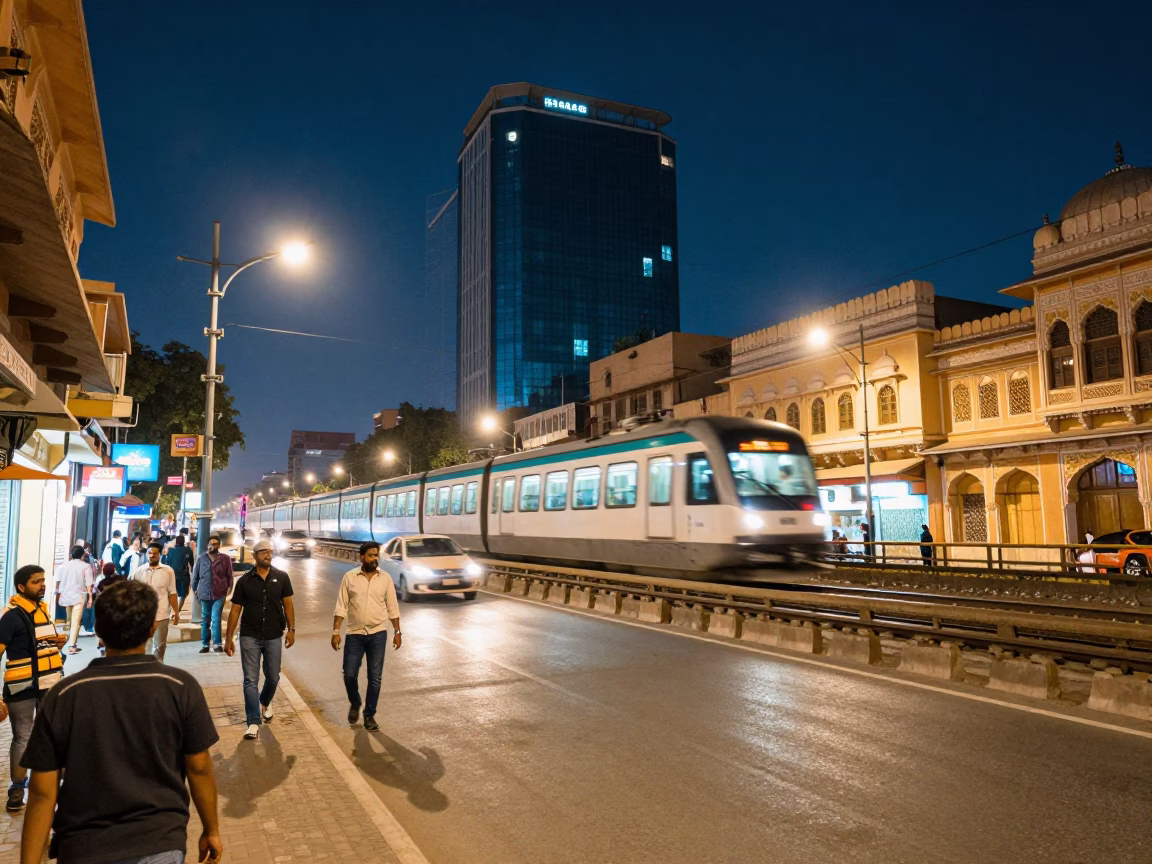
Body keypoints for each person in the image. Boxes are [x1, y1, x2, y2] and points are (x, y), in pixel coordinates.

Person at [18, 580, 223, 864]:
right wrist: (211, 829)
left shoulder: (64, 695)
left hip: (84, 845)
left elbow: (42, 792)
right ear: (153, 628)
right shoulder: (179, 686)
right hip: (160, 842)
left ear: (98, 632)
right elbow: (199, 768)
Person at [0, 565, 66, 812]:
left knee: (52, 736)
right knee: (23, 738)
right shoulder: (11, 616)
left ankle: (53, 785)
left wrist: (59, 642)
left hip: (49, 684)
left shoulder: (43, 610)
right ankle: (17, 788)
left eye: (43, 580)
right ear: (21, 587)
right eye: (36, 582)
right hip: (22, 688)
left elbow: (43, 644)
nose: (42, 585)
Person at [224, 539, 295, 739]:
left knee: (273, 677)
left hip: (273, 634)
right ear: (254, 556)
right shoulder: (245, 581)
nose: (268, 555)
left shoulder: (281, 577)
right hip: (249, 635)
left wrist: (292, 629)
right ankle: (253, 721)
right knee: (250, 680)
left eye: (270, 552)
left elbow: (288, 604)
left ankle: (264, 700)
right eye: (263, 552)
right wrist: (228, 638)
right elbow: (235, 610)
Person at [332, 541, 402, 732]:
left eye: (376, 555)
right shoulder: (350, 577)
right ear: (361, 557)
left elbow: (393, 607)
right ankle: (355, 702)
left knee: (375, 677)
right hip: (355, 634)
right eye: (371, 555)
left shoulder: (385, 578)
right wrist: (336, 631)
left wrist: (397, 631)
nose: (374, 559)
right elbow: (341, 606)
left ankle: (369, 715)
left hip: (378, 633)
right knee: (349, 674)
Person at [131, 541, 179, 662]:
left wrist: (176, 612)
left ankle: (158, 667)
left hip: (161, 614)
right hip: (143, 615)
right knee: (144, 645)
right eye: (150, 553)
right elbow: (132, 592)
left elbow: (172, 592)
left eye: (155, 553)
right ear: (146, 554)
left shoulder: (168, 571)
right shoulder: (139, 571)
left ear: (160, 555)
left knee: (160, 645)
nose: (152, 555)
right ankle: (146, 670)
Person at [191, 534, 234, 654]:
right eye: (210, 544)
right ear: (207, 545)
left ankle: (217, 644)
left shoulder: (225, 559)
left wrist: (230, 587)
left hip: (219, 593)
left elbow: (229, 575)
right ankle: (205, 644)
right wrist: (194, 588)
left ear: (219, 545)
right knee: (205, 620)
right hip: (204, 593)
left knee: (216, 619)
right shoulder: (201, 559)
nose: (212, 546)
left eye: (215, 544)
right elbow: (195, 575)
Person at [53, 546, 93, 655]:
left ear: (71, 554)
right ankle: (72, 646)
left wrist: (57, 593)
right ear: (82, 555)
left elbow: (57, 582)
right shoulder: (86, 566)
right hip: (79, 596)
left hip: (66, 595)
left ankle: (67, 643)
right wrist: (90, 598)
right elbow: (89, 584)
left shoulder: (63, 566)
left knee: (69, 620)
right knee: (76, 621)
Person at [164, 534, 196, 614]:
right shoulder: (188, 550)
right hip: (184, 576)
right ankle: (176, 612)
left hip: (172, 575)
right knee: (183, 594)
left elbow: (167, 563)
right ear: (184, 542)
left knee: (171, 593)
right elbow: (192, 563)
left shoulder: (171, 551)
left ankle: (170, 611)